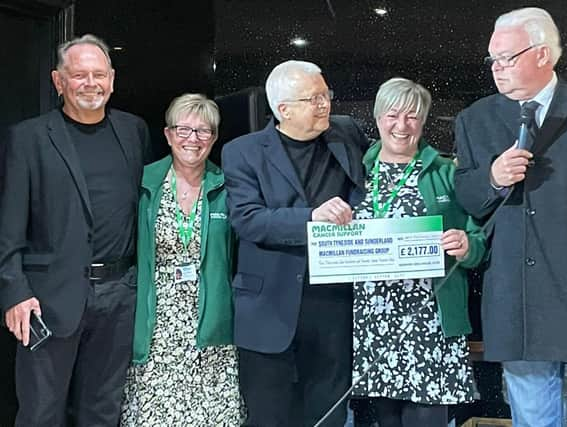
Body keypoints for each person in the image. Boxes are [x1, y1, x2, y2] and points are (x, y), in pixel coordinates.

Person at [454, 7, 567, 426]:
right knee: (533, 416)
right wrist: (493, 178)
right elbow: (467, 195)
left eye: (507, 58)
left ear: (542, 54)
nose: (497, 70)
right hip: (515, 297)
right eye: (493, 60)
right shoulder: (475, 119)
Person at [0, 34, 149, 426]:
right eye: (79, 74)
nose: (90, 83)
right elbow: (8, 225)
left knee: (102, 411)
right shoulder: (28, 137)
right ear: (58, 81)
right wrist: (15, 291)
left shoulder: (134, 131)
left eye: (99, 74)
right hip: (47, 301)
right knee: (40, 413)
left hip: (119, 297)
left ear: (112, 80)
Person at [221, 60, 368, 427]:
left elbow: (371, 190)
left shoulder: (346, 134)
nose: (325, 105)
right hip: (268, 309)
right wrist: (311, 217)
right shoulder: (243, 151)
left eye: (325, 95)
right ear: (282, 109)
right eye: (313, 98)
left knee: (330, 416)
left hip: (334, 305)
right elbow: (248, 219)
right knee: (270, 417)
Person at [350, 77, 486, 426]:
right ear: (378, 118)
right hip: (371, 322)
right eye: (392, 115)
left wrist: (467, 246)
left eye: (412, 116)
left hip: (430, 320)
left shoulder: (446, 171)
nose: (401, 125)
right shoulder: (354, 172)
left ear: (423, 121)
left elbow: (479, 239)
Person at [120, 93, 245, 425]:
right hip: (155, 324)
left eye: (204, 131)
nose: (193, 139)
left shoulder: (227, 186)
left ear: (215, 138)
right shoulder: (143, 183)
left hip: (210, 324)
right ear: (168, 134)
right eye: (184, 130)